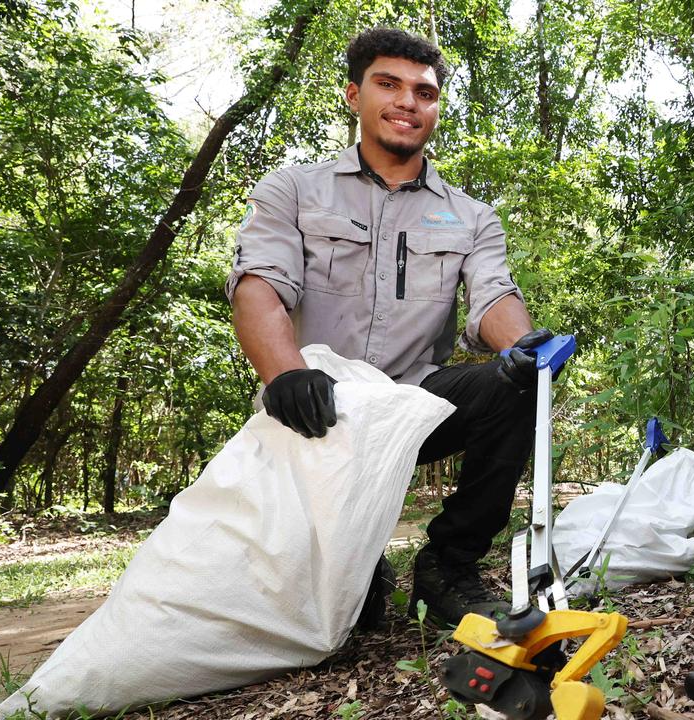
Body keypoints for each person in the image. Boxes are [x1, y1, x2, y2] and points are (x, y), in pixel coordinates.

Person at [226, 27, 552, 628]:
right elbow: (259, 287)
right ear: (354, 95)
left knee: (519, 382)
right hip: (317, 408)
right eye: (388, 84)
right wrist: (285, 374)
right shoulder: (294, 189)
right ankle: (355, 563)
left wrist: (523, 347)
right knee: (343, 618)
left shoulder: (470, 216)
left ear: (436, 108)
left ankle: (448, 566)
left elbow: (493, 297)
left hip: (413, 405)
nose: (407, 101)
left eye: (424, 93)